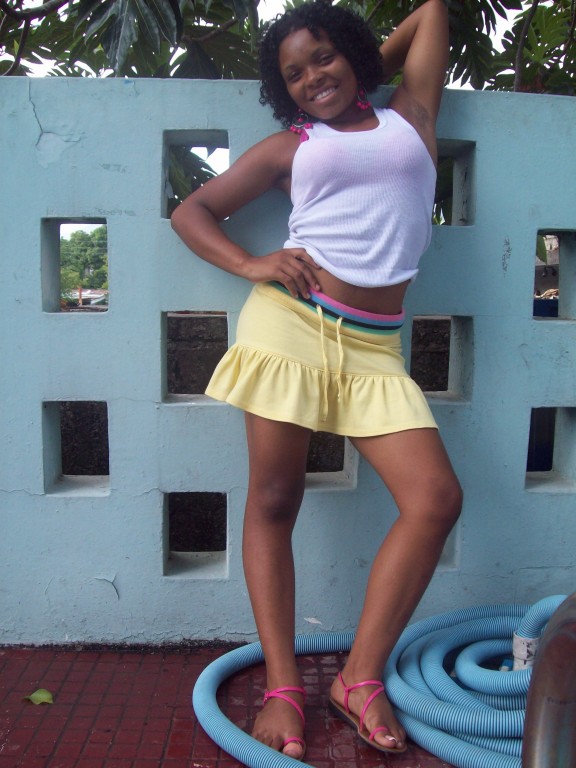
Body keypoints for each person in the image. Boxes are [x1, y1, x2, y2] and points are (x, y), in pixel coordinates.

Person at [172, 0, 462, 758]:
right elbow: (193, 212)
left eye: (325, 58)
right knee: (274, 499)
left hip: (375, 349)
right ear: (283, 91)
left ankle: (358, 677)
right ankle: (281, 686)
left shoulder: (410, 116)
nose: (312, 78)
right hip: (292, 325)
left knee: (435, 500)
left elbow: (431, 12)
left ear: (356, 56)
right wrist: (250, 262)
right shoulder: (291, 147)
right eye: (294, 73)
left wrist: (361, 73)